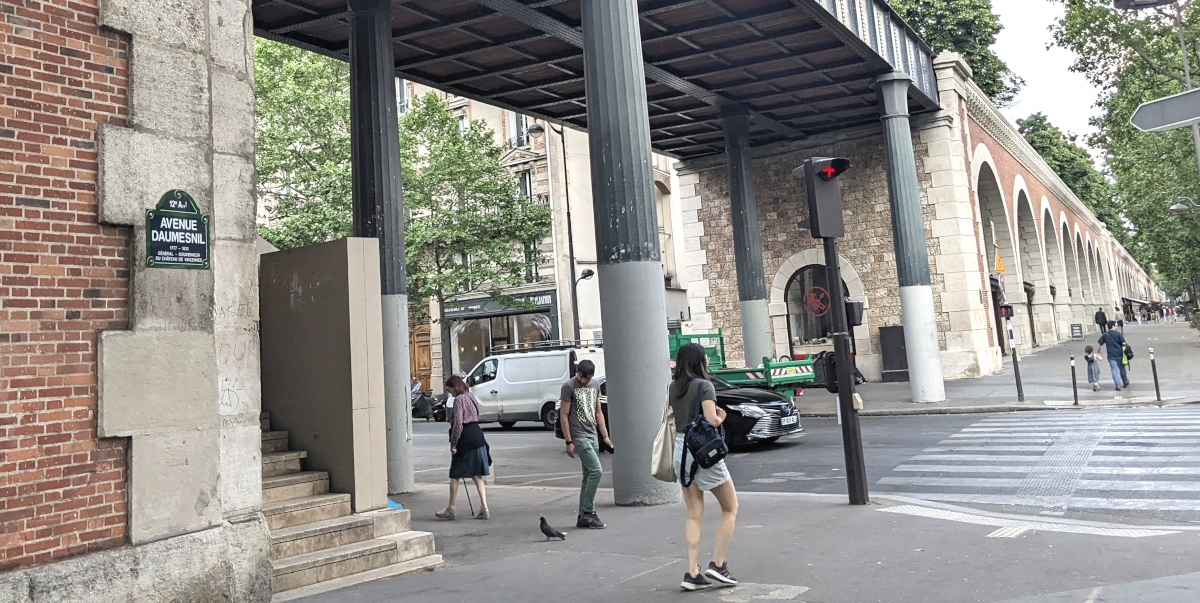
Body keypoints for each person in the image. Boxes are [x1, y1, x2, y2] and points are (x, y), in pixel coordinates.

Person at [670, 343, 739, 591]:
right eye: (705, 358)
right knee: (730, 507)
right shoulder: (704, 386)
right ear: (698, 362)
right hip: (702, 451)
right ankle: (718, 565)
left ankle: (691, 574)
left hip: (681, 448)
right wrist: (721, 418)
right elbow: (711, 420)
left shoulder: (673, 387)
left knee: (693, 513)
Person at [559, 359, 611, 530]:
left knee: (588, 475)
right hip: (579, 436)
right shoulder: (568, 387)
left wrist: (605, 437)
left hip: (592, 435)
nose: (584, 382)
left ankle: (583, 515)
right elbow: (564, 415)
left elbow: (598, 412)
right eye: (582, 378)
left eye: (587, 379)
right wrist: (569, 441)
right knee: (596, 471)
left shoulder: (595, 385)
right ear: (577, 372)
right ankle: (589, 512)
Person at [437, 375, 490, 520]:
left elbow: (458, 423)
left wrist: (454, 444)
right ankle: (484, 507)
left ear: (455, 387)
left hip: (465, 437)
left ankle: (451, 507)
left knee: (455, 473)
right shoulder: (470, 396)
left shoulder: (458, 400)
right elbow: (477, 413)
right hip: (477, 434)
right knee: (476, 474)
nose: (450, 393)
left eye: (449, 390)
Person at [1098, 323, 1129, 391]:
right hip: (1120, 354)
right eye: (1116, 326)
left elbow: (1100, 344)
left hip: (1111, 354)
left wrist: (1098, 353)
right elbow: (1124, 343)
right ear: (1112, 326)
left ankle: (1117, 384)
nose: (1117, 327)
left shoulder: (1105, 335)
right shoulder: (1118, 334)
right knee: (1122, 368)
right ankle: (1125, 381)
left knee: (1114, 370)